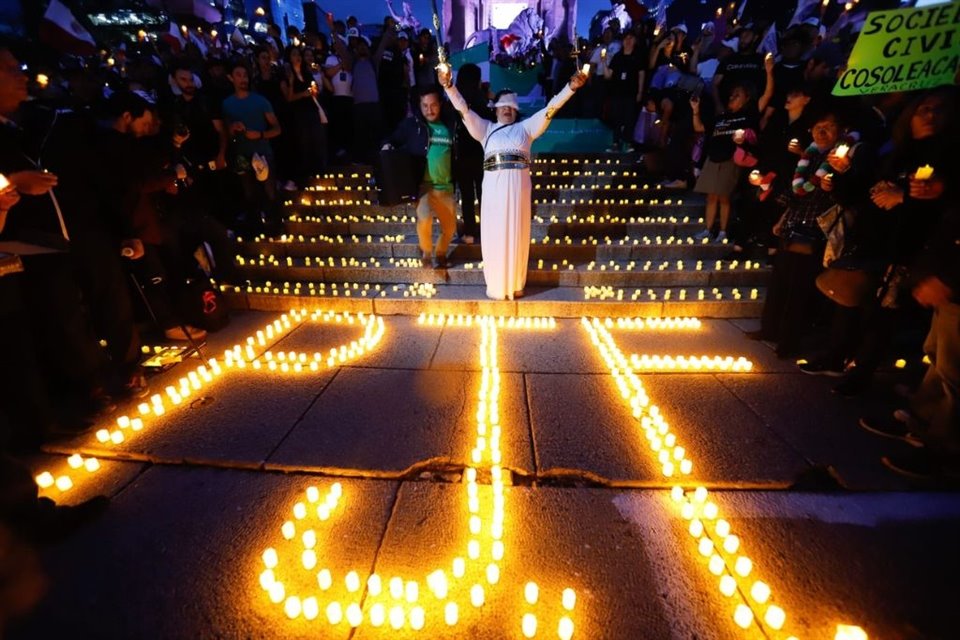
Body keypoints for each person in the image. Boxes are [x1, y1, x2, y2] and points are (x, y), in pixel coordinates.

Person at [440, 65, 588, 299]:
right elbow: (464, 110)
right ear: (496, 109)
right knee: (494, 236)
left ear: (516, 109)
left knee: (518, 236)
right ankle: (497, 286)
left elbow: (551, 108)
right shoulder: (485, 130)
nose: (507, 109)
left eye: (511, 106)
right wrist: (449, 86)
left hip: (519, 194)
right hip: (494, 196)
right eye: (502, 106)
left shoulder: (526, 129)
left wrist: (570, 88)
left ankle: (517, 283)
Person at [382, 86, 458, 268]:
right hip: (424, 187)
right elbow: (393, 139)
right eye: (425, 106)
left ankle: (440, 253)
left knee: (450, 228)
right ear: (420, 105)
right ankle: (426, 251)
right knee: (424, 218)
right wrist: (386, 146)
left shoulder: (450, 125)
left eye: (433, 105)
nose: (429, 110)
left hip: (446, 187)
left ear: (440, 104)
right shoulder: (412, 125)